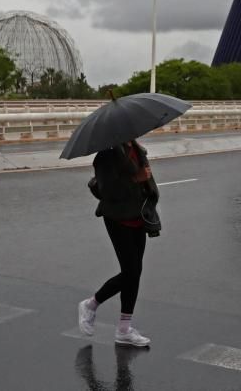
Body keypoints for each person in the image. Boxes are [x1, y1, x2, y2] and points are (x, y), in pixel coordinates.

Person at [78, 139, 160, 347]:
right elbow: (108, 191)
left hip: (138, 216)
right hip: (117, 218)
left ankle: (124, 329)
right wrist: (135, 178)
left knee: (135, 273)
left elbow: (146, 182)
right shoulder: (106, 155)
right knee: (130, 272)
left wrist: (146, 185)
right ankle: (91, 304)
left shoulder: (137, 149)